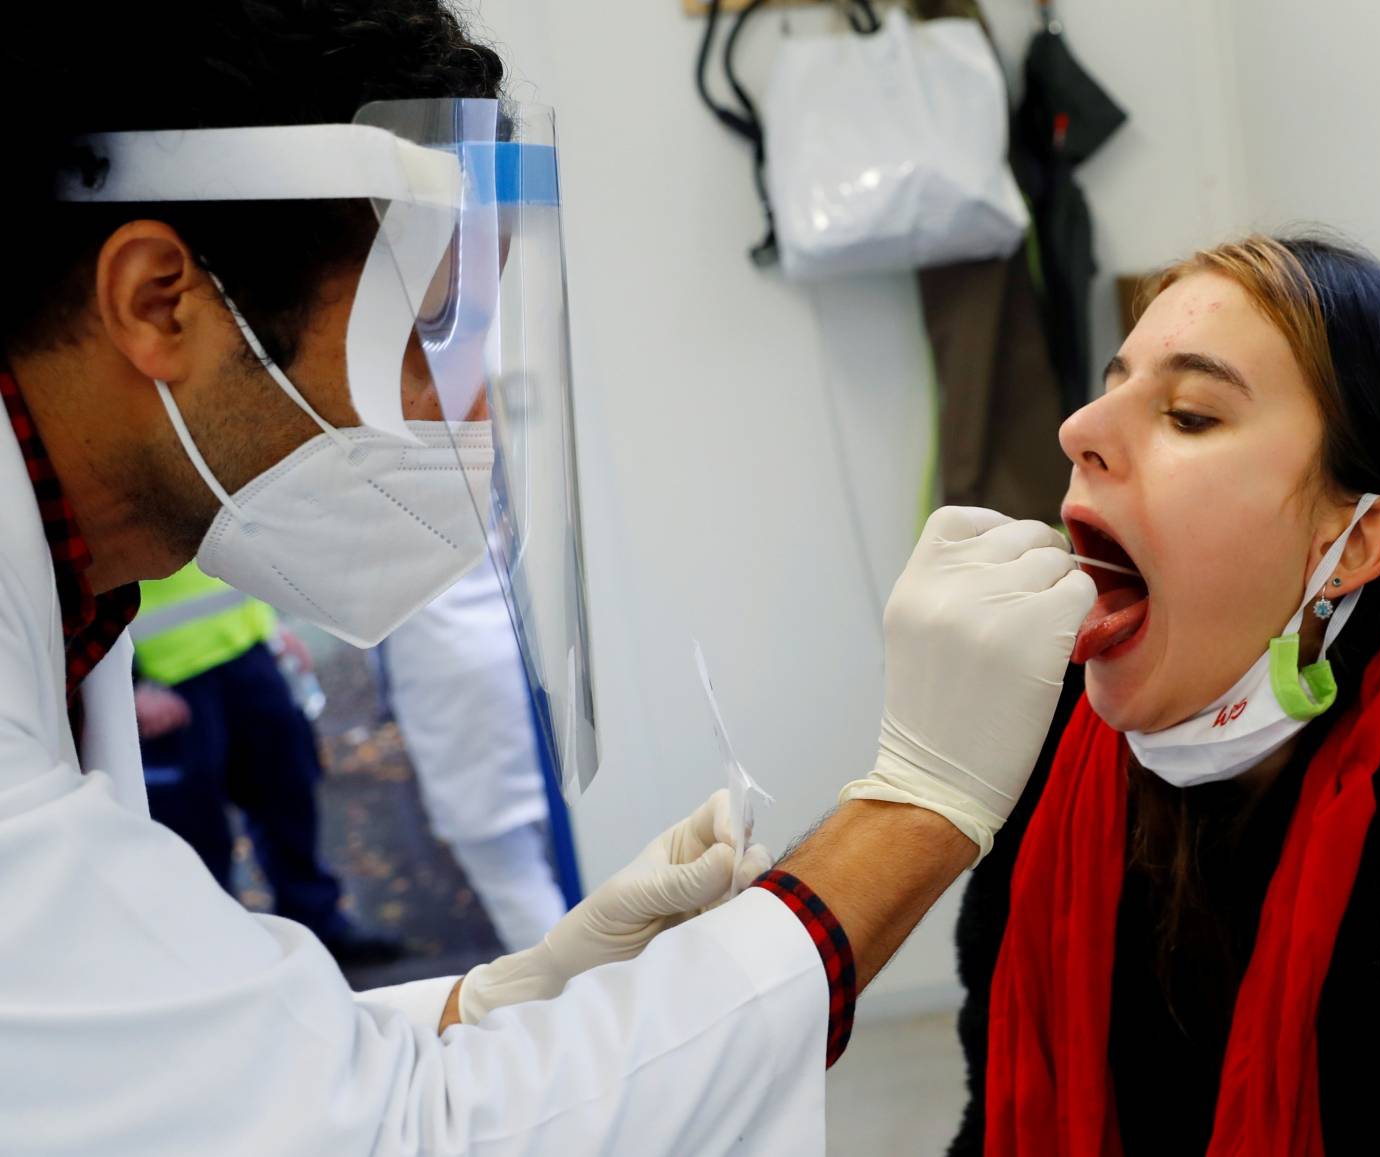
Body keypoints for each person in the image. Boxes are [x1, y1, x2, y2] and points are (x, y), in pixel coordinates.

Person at [0, 3, 1098, 1152]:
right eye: (425, 333)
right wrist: (918, 805)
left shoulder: (69, 600)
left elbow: (208, 1081)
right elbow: (394, 1139)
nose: (469, 412)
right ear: (158, 300)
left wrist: (504, 997)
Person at [950, 236, 1380, 1156]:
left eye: (1187, 414)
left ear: (1360, 541)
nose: (1078, 428)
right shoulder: (1053, 736)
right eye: (1113, 381)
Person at [133, 562, 403, 965]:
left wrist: (271, 629)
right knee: (193, 839)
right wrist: (129, 685)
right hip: (165, 685)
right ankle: (219, 962)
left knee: (288, 799)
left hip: (248, 653)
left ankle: (319, 929)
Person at [378, 553, 571, 951]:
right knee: (544, 843)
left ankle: (576, 991)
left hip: (449, 668)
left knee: (506, 869)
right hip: (506, 641)